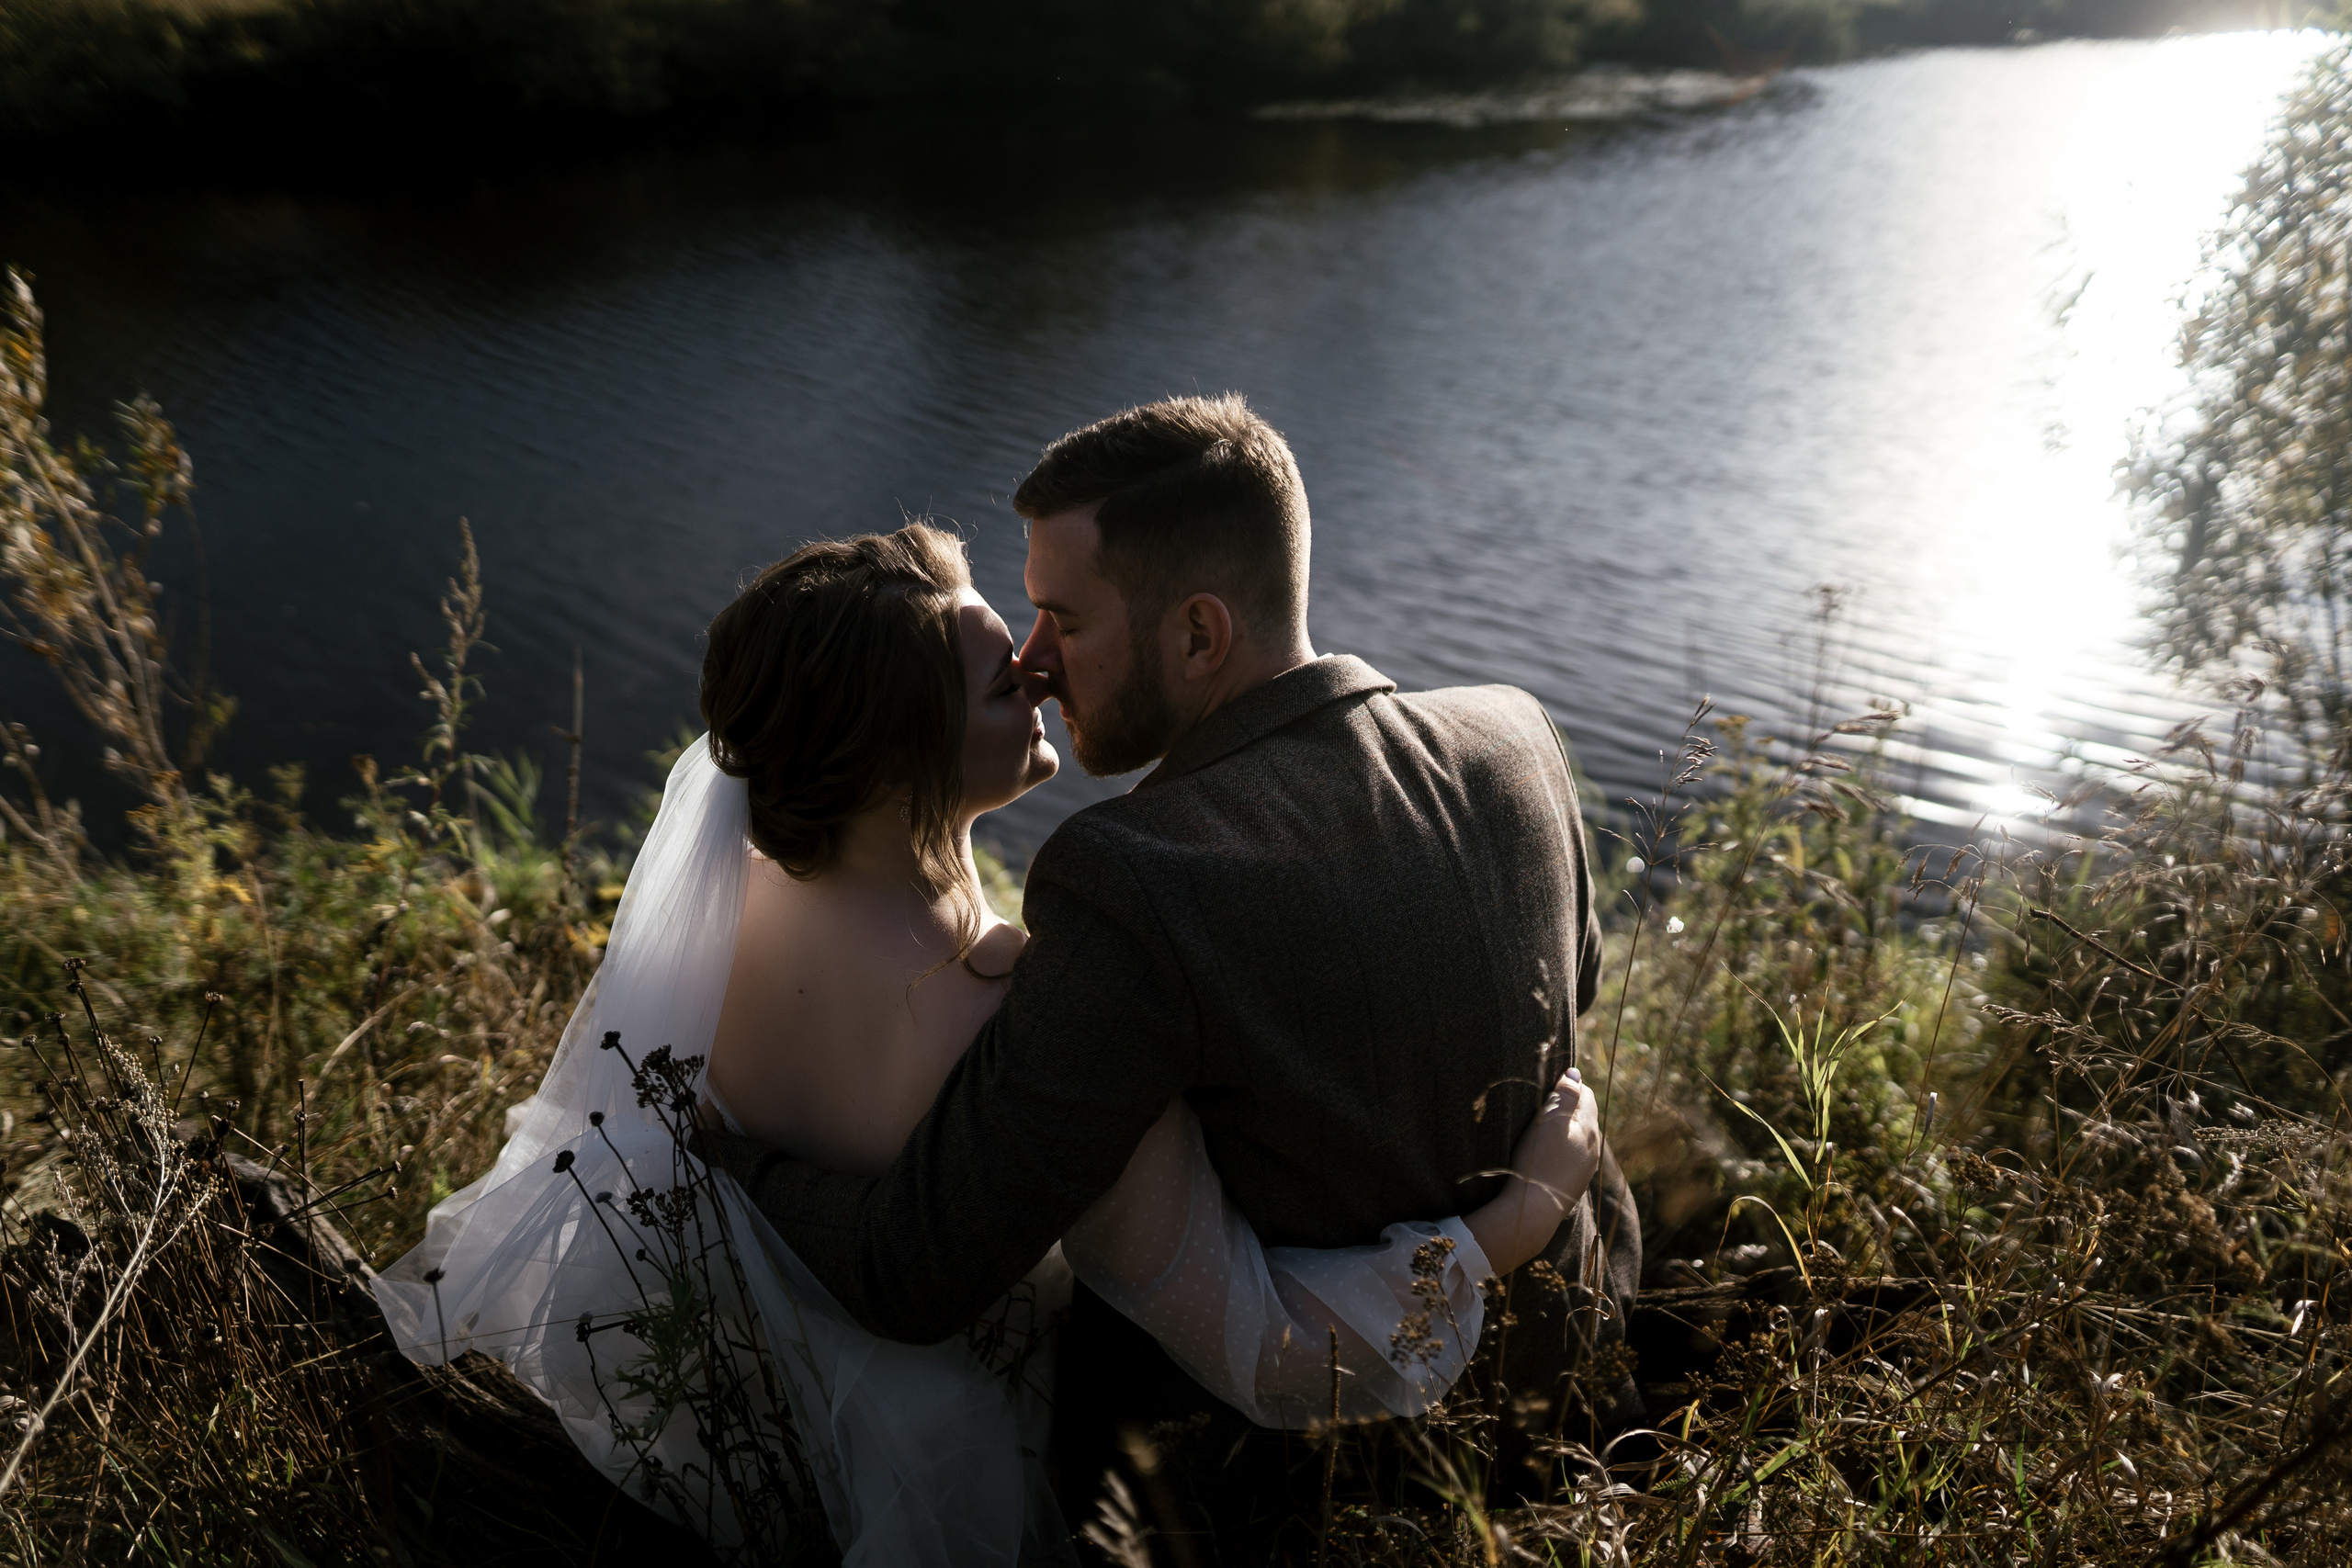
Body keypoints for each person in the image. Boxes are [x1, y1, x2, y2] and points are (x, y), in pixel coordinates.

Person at [376, 517, 1605, 1566]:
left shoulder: (719, 915)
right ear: (892, 753)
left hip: (732, 1399)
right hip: (968, 1455)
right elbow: (1269, 1343)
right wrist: (1516, 1220)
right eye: (1000, 678)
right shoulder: (1025, 1006)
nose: (1039, 667)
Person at [695, 395, 1644, 1556]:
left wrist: (728, 1162)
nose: (1034, 660)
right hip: (1585, 1363)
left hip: (1309, 1470)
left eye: (1062, 619)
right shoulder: (1516, 733)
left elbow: (916, 1272)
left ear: (1197, 635)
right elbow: (1559, 1008)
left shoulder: (1131, 876)